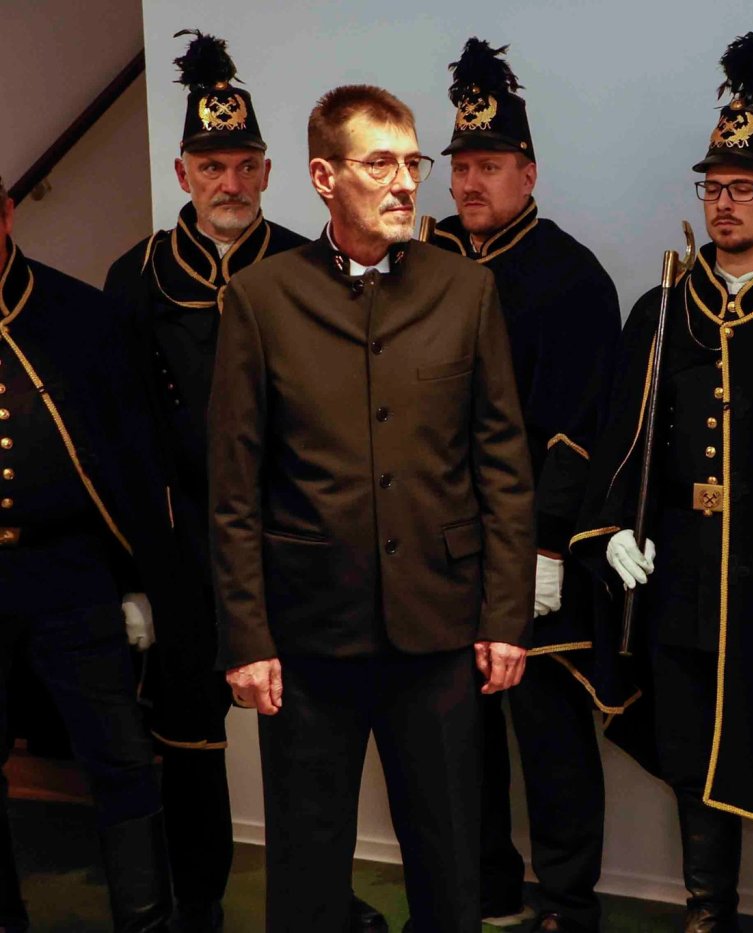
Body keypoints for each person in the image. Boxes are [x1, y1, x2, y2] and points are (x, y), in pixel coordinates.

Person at [206, 84, 535, 932]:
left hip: (441, 629)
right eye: (380, 163)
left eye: (412, 162)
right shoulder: (261, 299)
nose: (406, 183)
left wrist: (506, 615)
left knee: (451, 860)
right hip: (307, 635)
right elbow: (234, 489)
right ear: (325, 177)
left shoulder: (466, 290)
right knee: (307, 867)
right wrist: (247, 637)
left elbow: (503, 465)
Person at [571, 33, 753, 933]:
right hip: (682, 586)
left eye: (743, 187)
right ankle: (707, 912)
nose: (725, 204)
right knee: (693, 755)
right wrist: (612, 528)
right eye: (713, 188)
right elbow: (620, 442)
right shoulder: (660, 310)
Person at [103, 33, 389, 933]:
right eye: (209, 167)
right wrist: (136, 574)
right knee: (190, 741)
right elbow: (124, 439)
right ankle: (200, 907)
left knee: (310, 740)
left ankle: (321, 901)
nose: (228, 183)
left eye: (242, 165)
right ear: (183, 174)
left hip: (296, 543)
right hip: (187, 546)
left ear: (268, 171)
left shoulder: (316, 265)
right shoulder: (138, 277)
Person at [423, 38, 620, 933]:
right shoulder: (420, 259)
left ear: (528, 173)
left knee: (550, 737)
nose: (471, 182)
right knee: (456, 735)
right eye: (462, 165)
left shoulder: (571, 275)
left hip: (530, 548)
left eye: (491, 166)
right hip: (436, 545)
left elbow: (581, 425)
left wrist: (546, 544)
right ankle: (488, 891)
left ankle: (569, 902)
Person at [0, 176, 174, 931]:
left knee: (122, 759)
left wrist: (137, 580)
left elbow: (132, 456)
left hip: (71, 574)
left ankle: (147, 922)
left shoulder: (77, 313)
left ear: (7, 214)